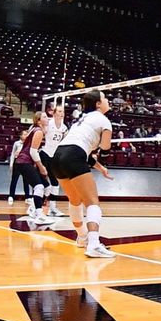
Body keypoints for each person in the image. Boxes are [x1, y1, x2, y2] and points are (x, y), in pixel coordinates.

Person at [50, 89, 117, 257]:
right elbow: (106, 148)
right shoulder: (104, 120)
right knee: (92, 202)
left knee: (75, 200)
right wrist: (104, 154)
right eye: (105, 98)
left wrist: (101, 168)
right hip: (73, 155)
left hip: (58, 156)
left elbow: (81, 150)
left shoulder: (81, 119)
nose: (108, 100)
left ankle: (82, 238)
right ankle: (94, 244)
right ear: (98, 104)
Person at [14, 114, 51, 225]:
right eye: (44, 117)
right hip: (24, 162)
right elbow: (32, 151)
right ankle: (39, 215)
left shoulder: (34, 129)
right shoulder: (38, 131)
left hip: (24, 162)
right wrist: (41, 166)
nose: (47, 118)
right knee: (39, 186)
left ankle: (33, 208)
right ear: (39, 121)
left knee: (46, 186)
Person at [39, 104, 70, 218]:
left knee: (55, 183)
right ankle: (35, 206)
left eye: (63, 112)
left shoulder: (64, 127)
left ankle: (52, 208)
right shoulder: (49, 122)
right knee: (42, 183)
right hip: (45, 154)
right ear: (54, 113)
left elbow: (66, 141)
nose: (62, 113)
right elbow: (41, 132)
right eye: (60, 111)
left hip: (54, 157)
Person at [7, 129, 29, 205]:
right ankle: (11, 196)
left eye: (27, 134)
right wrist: (11, 164)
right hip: (17, 162)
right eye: (24, 134)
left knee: (26, 181)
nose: (26, 136)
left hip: (25, 163)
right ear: (21, 135)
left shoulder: (28, 143)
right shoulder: (17, 143)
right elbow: (13, 154)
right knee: (14, 180)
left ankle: (27, 197)